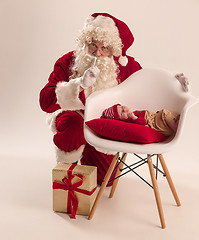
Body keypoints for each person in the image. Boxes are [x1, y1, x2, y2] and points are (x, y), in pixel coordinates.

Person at [39, 13, 188, 185]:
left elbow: (147, 90)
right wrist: (78, 84)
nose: (97, 53)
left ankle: (90, 155)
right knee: (73, 125)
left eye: (105, 48)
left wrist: (174, 85)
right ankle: (68, 169)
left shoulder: (128, 66)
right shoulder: (68, 61)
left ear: (114, 49)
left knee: (105, 180)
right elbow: (45, 101)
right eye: (92, 45)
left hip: (104, 125)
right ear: (85, 42)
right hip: (74, 118)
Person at [102, 104, 180, 137]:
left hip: (158, 121)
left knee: (169, 113)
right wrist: (134, 118)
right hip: (156, 125)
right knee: (164, 113)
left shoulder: (134, 112)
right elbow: (142, 123)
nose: (125, 109)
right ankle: (174, 125)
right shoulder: (130, 120)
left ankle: (175, 121)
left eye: (122, 107)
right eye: (122, 113)